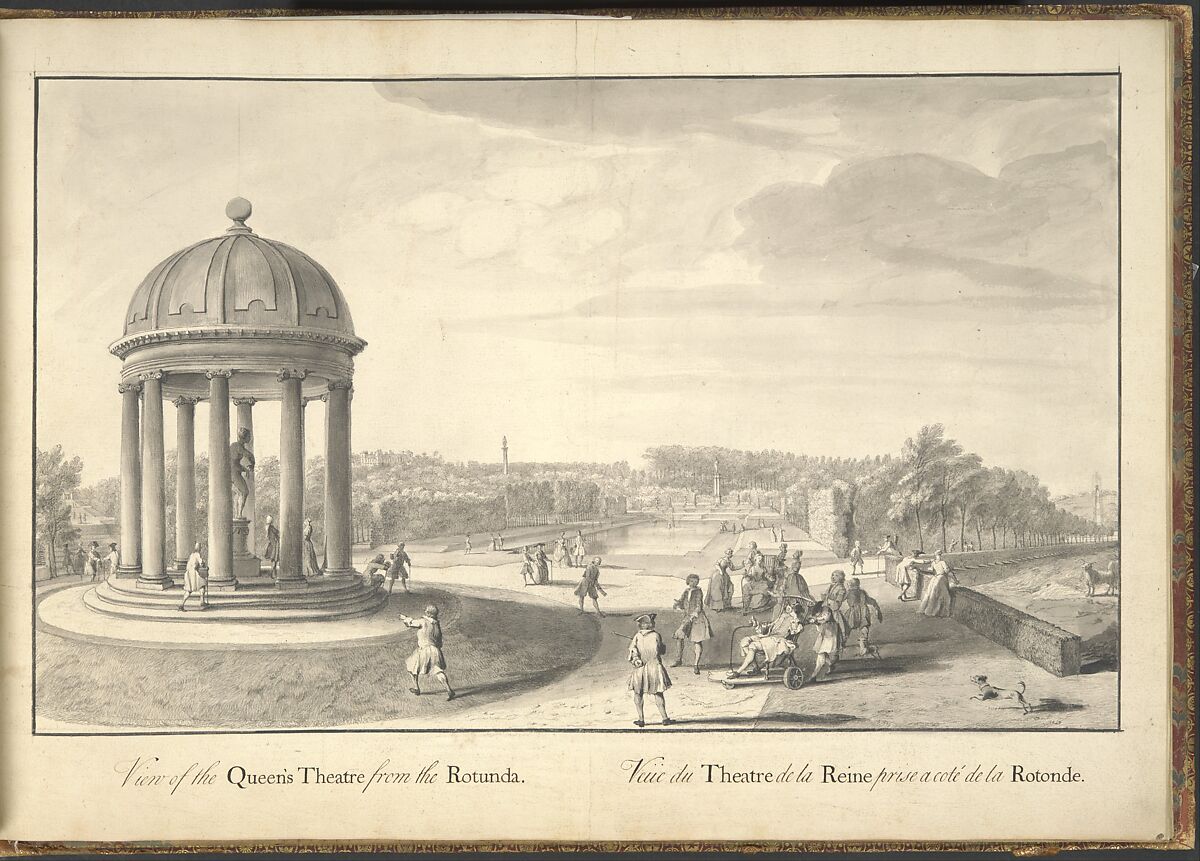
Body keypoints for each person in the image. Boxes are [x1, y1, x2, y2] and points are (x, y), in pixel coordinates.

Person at [727, 599, 805, 678]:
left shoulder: (796, 621)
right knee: (744, 642)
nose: (789, 607)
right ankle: (756, 667)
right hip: (768, 637)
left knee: (753, 646)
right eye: (788, 605)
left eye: (792, 606)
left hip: (777, 641)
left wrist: (794, 617)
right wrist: (756, 624)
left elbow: (794, 631)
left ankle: (738, 672)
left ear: (796, 608)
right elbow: (769, 627)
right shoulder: (782, 617)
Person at [399, 605, 455, 701]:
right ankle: (449, 690)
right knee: (438, 670)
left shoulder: (423, 621)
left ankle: (416, 688)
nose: (424, 611)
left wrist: (404, 618)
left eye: (426, 610)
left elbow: (411, 623)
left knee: (411, 667)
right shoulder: (437, 625)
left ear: (428, 613)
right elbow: (439, 641)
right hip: (435, 650)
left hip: (424, 650)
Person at [628, 613, 672, 727]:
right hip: (654, 667)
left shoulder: (637, 636)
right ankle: (665, 718)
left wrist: (637, 658)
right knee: (658, 692)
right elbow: (661, 651)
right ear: (647, 625)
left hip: (640, 669)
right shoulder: (656, 635)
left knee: (638, 693)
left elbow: (633, 651)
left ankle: (641, 719)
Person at [671, 573, 712, 674]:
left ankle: (696, 665)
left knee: (697, 641)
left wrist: (693, 615)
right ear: (688, 581)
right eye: (692, 581)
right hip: (687, 617)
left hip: (697, 619)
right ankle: (678, 659)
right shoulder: (686, 591)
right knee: (679, 636)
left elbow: (699, 606)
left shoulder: (698, 591)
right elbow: (681, 601)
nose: (694, 583)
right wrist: (677, 604)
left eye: (696, 581)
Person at [844, 577, 884, 656]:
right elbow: (870, 600)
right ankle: (863, 646)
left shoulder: (848, 592)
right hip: (863, 611)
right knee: (864, 627)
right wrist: (876, 607)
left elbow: (840, 599)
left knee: (847, 628)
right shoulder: (862, 592)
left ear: (850, 585)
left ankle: (842, 643)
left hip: (853, 611)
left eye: (849, 584)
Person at [808, 600, 843, 681]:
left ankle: (814, 675)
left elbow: (826, 619)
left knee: (821, 653)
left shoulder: (826, 610)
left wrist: (816, 620)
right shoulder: (819, 612)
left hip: (830, 633)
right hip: (824, 634)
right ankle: (830, 664)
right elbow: (819, 621)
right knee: (823, 652)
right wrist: (815, 621)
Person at [772, 550, 813, 619]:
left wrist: (787, 571)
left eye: (795, 555)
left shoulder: (797, 564)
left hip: (794, 582)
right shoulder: (793, 566)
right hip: (790, 580)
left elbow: (794, 570)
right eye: (794, 555)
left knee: (795, 597)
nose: (793, 556)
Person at [920, 551, 958, 618]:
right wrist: (955, 580)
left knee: (933, 595)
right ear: (937, 555)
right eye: (939, 555)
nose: (940, 556)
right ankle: (941, 613)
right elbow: (948, 572)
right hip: (941, 579)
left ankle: (933, 611)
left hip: (935, 579)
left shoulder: (933, 562)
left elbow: (931, 571)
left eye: (940, 555)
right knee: (945, 596)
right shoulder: (942, 562)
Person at [229, 426, 255, 519]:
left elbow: (236, 462)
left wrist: (246, 468)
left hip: (234, 472)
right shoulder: (237, 446)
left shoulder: (237, 446)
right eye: (249, 436)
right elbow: (249, 456)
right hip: (233, 473)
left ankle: (237, 514)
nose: (250, 438)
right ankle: (238, 514)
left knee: (239, 493)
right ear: (245, 437)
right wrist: (250, 465)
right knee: (244, 492)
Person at [178, 543, 208, 612]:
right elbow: (201, 563)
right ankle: (201, 602)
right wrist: (205, 566)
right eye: (200, 547)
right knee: (202, 585)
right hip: (194, 573)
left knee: (190, 589)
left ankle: (182, 604)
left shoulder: (191, 555)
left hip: (188, 573)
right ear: (199, 548)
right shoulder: (198, 554)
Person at [823, 569, 851, 643]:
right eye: (832, 575)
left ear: (841, 578)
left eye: (836, 575)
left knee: (839, 625)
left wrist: (829, 596)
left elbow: (839, 600)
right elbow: (826, 595)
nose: (833, 577)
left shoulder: (841, 588)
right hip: (827, 609)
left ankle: (842, 639)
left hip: (834, 609)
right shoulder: (830, 586)